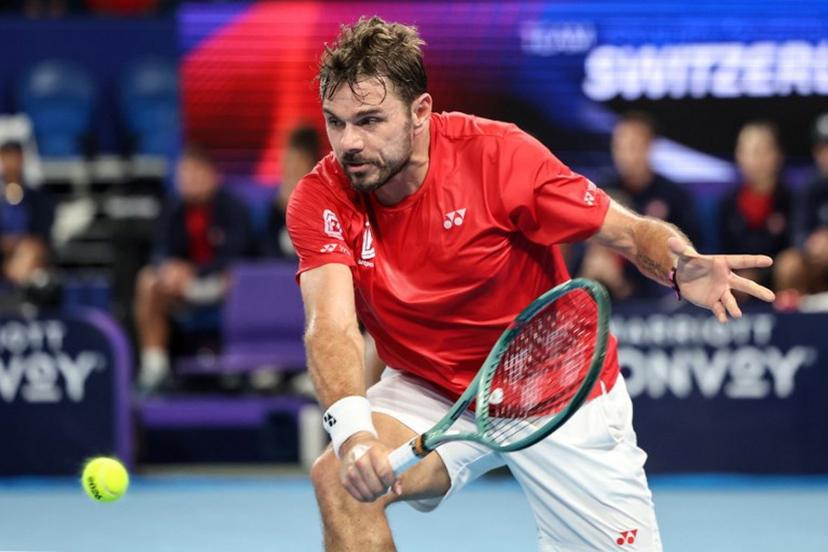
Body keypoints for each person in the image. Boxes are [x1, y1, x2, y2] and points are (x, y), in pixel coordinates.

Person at [286, 17, 775, 551]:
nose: (349, 144)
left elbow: (630, 233)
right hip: (431, 388)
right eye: (336, 123)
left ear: (421, 112)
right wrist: (355, 436)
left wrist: (680, 264)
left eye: (369, 121)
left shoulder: (499, 156)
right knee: (338, 478)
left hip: (555, 389)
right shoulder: (322, 196)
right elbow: (328, 325)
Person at [134, 144, 256, 392]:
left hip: (223, 285)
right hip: (184, 288)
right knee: (147, 280)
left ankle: (248, 370)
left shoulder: (234, 207)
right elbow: (159, 250)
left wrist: (195, 272)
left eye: (195, 174)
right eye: (184, 175)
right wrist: (169, 268)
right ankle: (154, 366)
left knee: (235, 277)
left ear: (212, 176)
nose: (188, 181)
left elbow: (238, 254)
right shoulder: (173, 209)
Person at [581, 112, 703, 300]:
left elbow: (694, 254)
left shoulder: (674, 196)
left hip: (660, 297)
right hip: (607, 294)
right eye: (619, 146)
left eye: (633, 146)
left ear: (650, 147)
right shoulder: (600, 193)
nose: (626, 155)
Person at [718, 121, 793, 294]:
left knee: (790, 266)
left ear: (777, 155)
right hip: (737, 279)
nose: (753, 160)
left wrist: (759, 276)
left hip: (776, 277)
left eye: (759, 151)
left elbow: (795, 248)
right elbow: (720, 250)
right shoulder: (728, 203)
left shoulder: (790, 199)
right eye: (746, 151)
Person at [774, 113, 828, 297]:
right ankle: (795, 322)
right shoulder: (809, 186)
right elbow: (798, 231)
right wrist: (810, 245)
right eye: (823, 149)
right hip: (816, 259)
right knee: (788, 265)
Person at [264, 125, 323, 259]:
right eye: (287, 165)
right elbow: (267, 248)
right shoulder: (276, 204)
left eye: (297, 166)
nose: (290, 171)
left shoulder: (325, 201)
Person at [0, 140, 53, 288]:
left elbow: (42, 236)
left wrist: (17, 244)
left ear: (22, 159)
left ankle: (17, 299)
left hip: (28, 253)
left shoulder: (38, 198)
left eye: (15, 157)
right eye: (7, 157)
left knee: (29, 251)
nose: (11, 163)